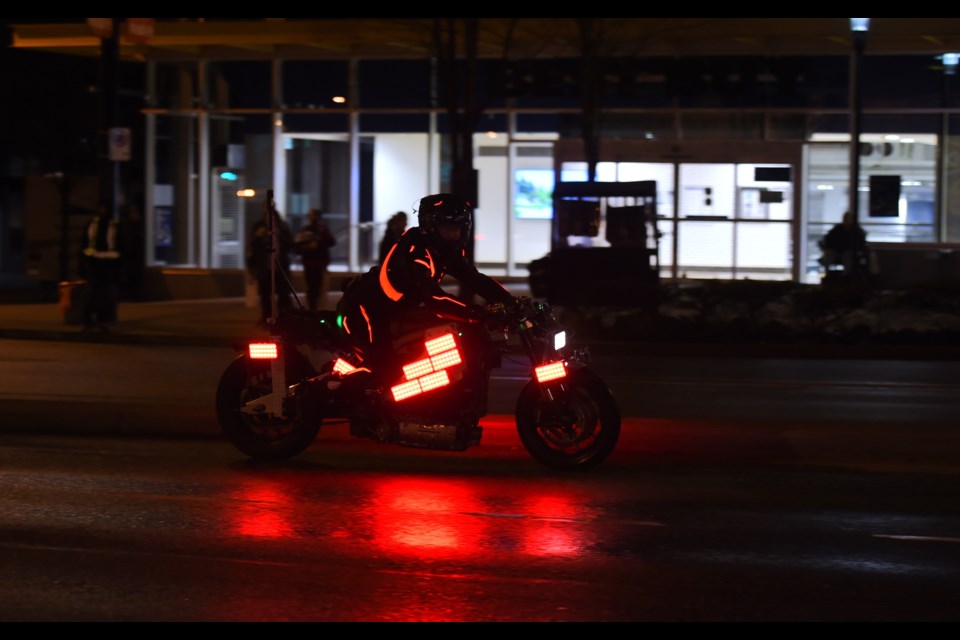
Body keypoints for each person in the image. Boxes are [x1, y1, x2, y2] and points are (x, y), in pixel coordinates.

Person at [337, 193, 517, 367]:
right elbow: (433, 298)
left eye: (458, 228)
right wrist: (475, 314)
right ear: (430, 226)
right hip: (364, 308)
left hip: (398, 311)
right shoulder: (416, 250)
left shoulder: (446, 251)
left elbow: (475, 279)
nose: (454, 234)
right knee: (382, 369)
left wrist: (512, 303)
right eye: (448, 228)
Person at [246, 200, 294, 324]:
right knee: (265, 294)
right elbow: (251, 246)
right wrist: (258, 236)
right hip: (264, 267)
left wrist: (279, 235)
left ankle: (284, 318)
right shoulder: (258, 226)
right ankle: (266, 317)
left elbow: (290, 245)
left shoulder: (282, 226)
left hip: (280, 266)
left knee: (283, 294)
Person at [79, 204, 122, 331]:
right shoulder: (97, 224)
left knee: (103, 292)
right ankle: (92, 319)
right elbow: (86, 244)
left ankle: (100, 319)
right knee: (95, 292)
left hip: (107, 262)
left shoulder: (110, 224)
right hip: (97, 262)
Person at [294, 208, 337, 311]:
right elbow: (296, 247)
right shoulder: (304, 230)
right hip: (308, 264)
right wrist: (307, 247)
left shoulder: (323, 230)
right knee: (310, 289)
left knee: (320, 289)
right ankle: (312, 308)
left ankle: (318, 309)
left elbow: (331, 242)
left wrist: (320, 242)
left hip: (321, 264)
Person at [819, 210, 868, 282]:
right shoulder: (838, 228)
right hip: (835, 250)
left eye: (847, 218)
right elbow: (829, 238)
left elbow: (859, 243)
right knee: (829, 255)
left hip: (848, 251)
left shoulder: (856, 230)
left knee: (848, 257)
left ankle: (845, 278)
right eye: (845, 218)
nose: (846, 220)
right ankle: (827, 274)